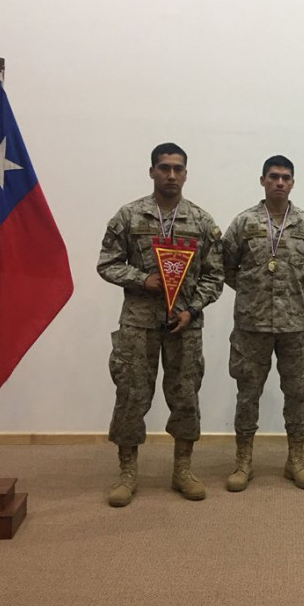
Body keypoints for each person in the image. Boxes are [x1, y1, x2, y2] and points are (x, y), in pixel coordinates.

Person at [97, 143, 224, 507]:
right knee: (131, 395)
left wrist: (193, 308)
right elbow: (106, 263)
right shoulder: (129, 216)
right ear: (151, 171)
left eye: (178, 169)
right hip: (139, 323)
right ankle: (127, 473)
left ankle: (182, 469)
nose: (171, 175)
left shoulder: (201, 221)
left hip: (184, 323)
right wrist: (142, 279)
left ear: (186, 174)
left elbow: (216, 275)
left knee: (185, 397)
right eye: (164, 168)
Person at [222, 155, 304, 491]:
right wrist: (254, 292)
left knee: (296, 393)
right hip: (251, 325)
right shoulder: (243, 223)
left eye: (285, 177)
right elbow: (225, 266)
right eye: (273, 176)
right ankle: (243, 462)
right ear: (262, 180)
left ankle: (295, 460)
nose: (279, 182)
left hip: (294, 326)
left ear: (293, 182)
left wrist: (288, 295)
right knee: (247, 394)